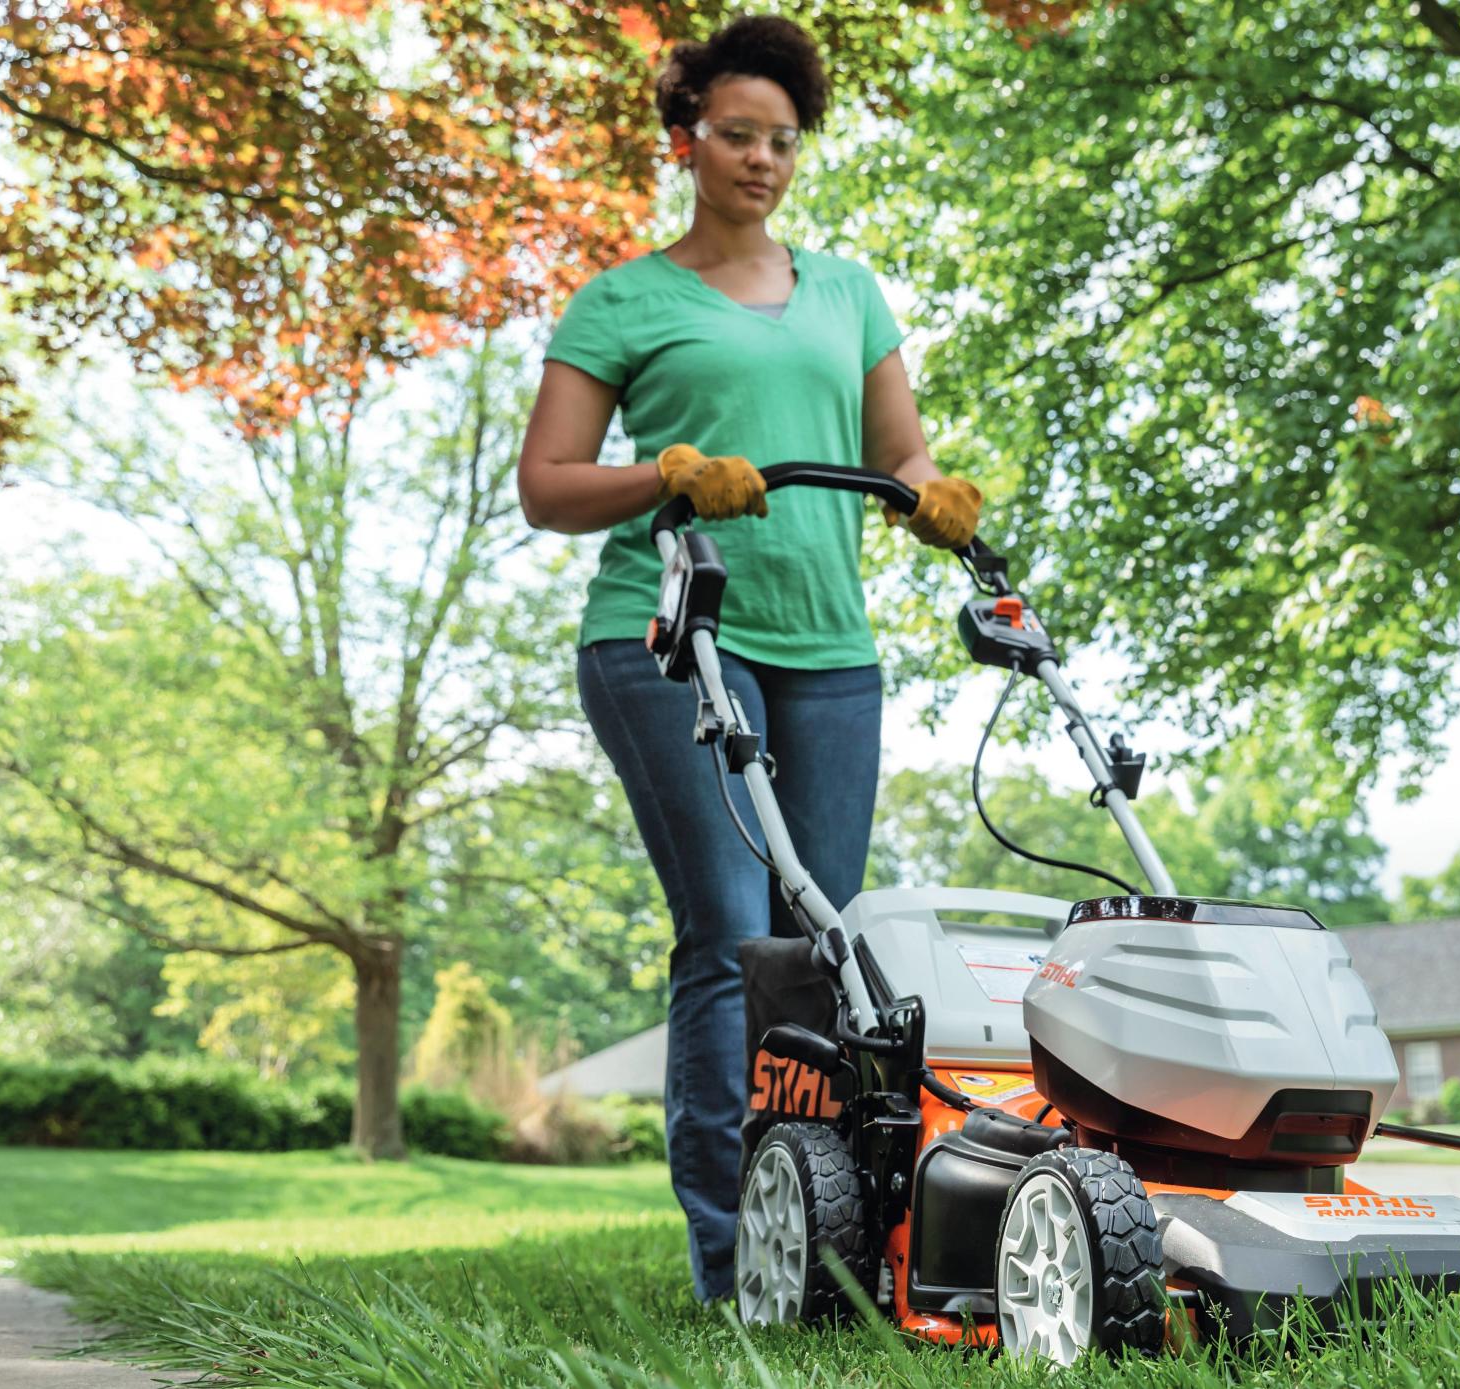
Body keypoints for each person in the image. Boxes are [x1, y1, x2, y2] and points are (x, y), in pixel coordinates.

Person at [514, 14, 983, 1303]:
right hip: (670, 640)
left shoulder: (848, 291)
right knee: (728, 937)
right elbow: (546, 487)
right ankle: (731, 1261)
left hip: (831, 650)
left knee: (817, 951)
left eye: (782, 140)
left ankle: (820, 1244)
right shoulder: (625, 299)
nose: (762, 160)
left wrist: (937, 493)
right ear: (687, 140)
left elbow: (903, 450)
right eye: (737, 134)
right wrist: (665, 473)